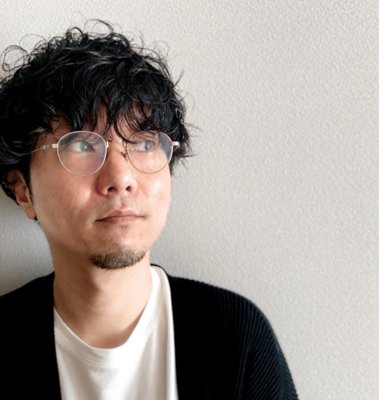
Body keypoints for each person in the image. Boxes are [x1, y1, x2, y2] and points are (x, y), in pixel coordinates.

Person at [0, 22, 298, 399]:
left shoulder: (234, 336)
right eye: (82, 146)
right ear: (23, 190)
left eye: (143, 144)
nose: (121, 178)